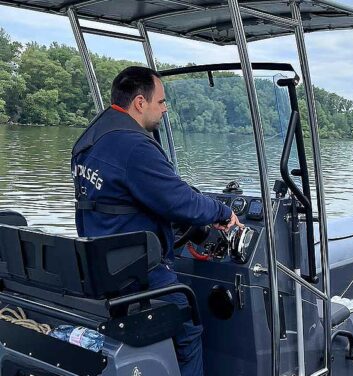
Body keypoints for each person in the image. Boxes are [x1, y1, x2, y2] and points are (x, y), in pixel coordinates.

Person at [71, 66, 241, 375]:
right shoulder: (134, 146)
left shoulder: (89, 139)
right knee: (187, 324)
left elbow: (131, 199)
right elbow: (179, 200)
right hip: (138, 275)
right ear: (139, 102)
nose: (165, 109)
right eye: (160, 102)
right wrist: (222, 212)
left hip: (103, 269)